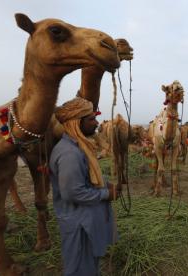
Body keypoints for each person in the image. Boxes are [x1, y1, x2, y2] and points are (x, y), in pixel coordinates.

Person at [49, 97, 118, 276]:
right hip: (79, 224)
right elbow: (73, 193)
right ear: (76, 123)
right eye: (91, 119)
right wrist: (106, 194)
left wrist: (104, 182)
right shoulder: (69, 153)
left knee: (88, 266)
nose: (96, 123)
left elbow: (84, 179)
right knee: (80, 268)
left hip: (84, 220)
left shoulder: (79, 147)